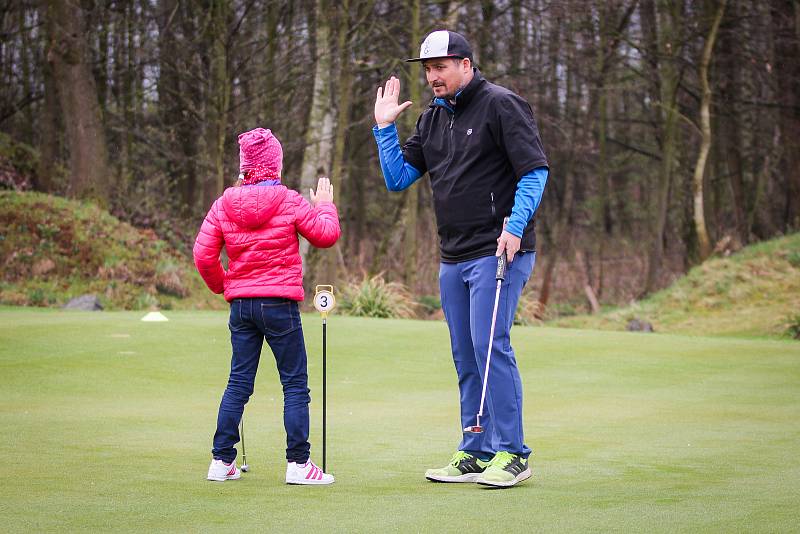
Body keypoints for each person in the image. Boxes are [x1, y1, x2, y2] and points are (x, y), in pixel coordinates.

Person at [373, 30, 549, 487]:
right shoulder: (432, 119)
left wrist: (514, 226)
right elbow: (397, 178)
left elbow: (534, 171)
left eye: (441, 67)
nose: (433, 76)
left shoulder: (501, 104)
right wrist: (384, 128)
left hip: (499, 250)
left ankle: (513, 453)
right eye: (428, 69)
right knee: (465, 354)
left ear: (466, 65)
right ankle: (475, 449)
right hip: (452, 256)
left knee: (491, 347)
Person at [193, 127, 340, 485]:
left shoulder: (223, 203)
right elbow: (325, 235)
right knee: (294, 385)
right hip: (279, 304)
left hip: (242, 306)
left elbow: (203, 254)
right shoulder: (289, 200)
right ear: (275, 165)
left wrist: (224, 285)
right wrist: (325, 206)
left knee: (238, 382)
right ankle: (298, 464)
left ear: (245, 167)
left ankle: (221, 460)